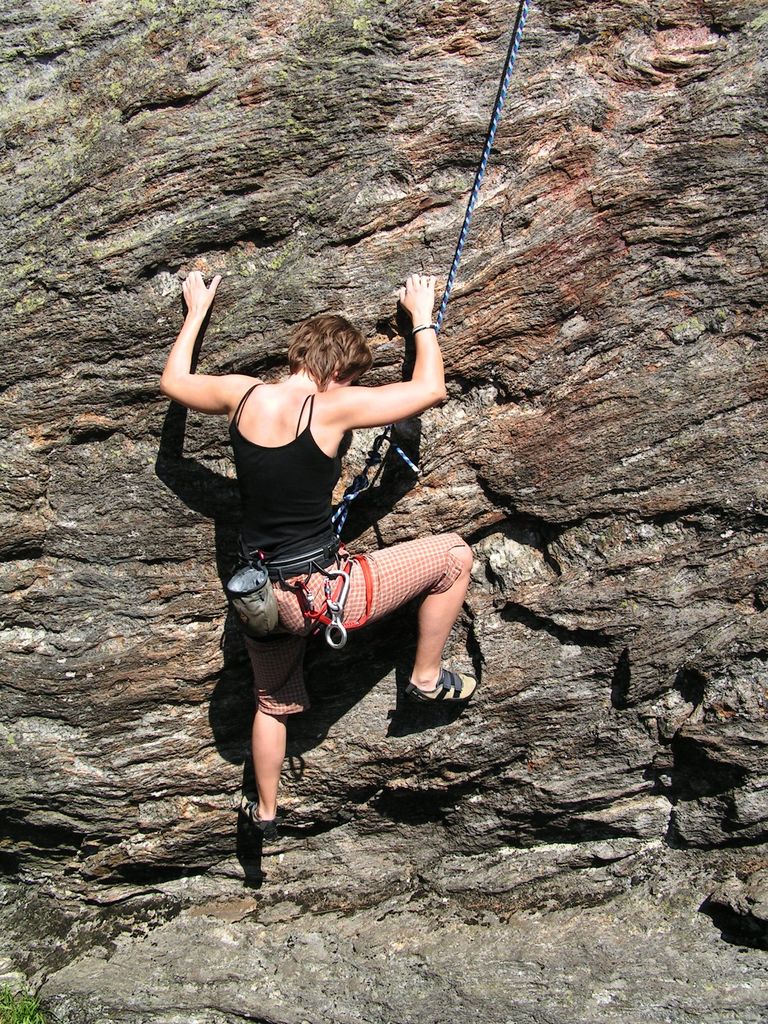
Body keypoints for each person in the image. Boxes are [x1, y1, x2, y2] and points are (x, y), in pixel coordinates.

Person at [160, 270, 476, 837]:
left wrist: (196, 313)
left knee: (273, 701)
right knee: (454, 556)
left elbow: (174, 381)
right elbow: (430, 390)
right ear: (337, 372)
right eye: (350, 379)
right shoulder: (330, 408)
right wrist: (423, 318)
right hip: (323, 593)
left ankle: (265, 810)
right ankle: (425, 679)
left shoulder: (241, 392)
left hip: (259, 599)